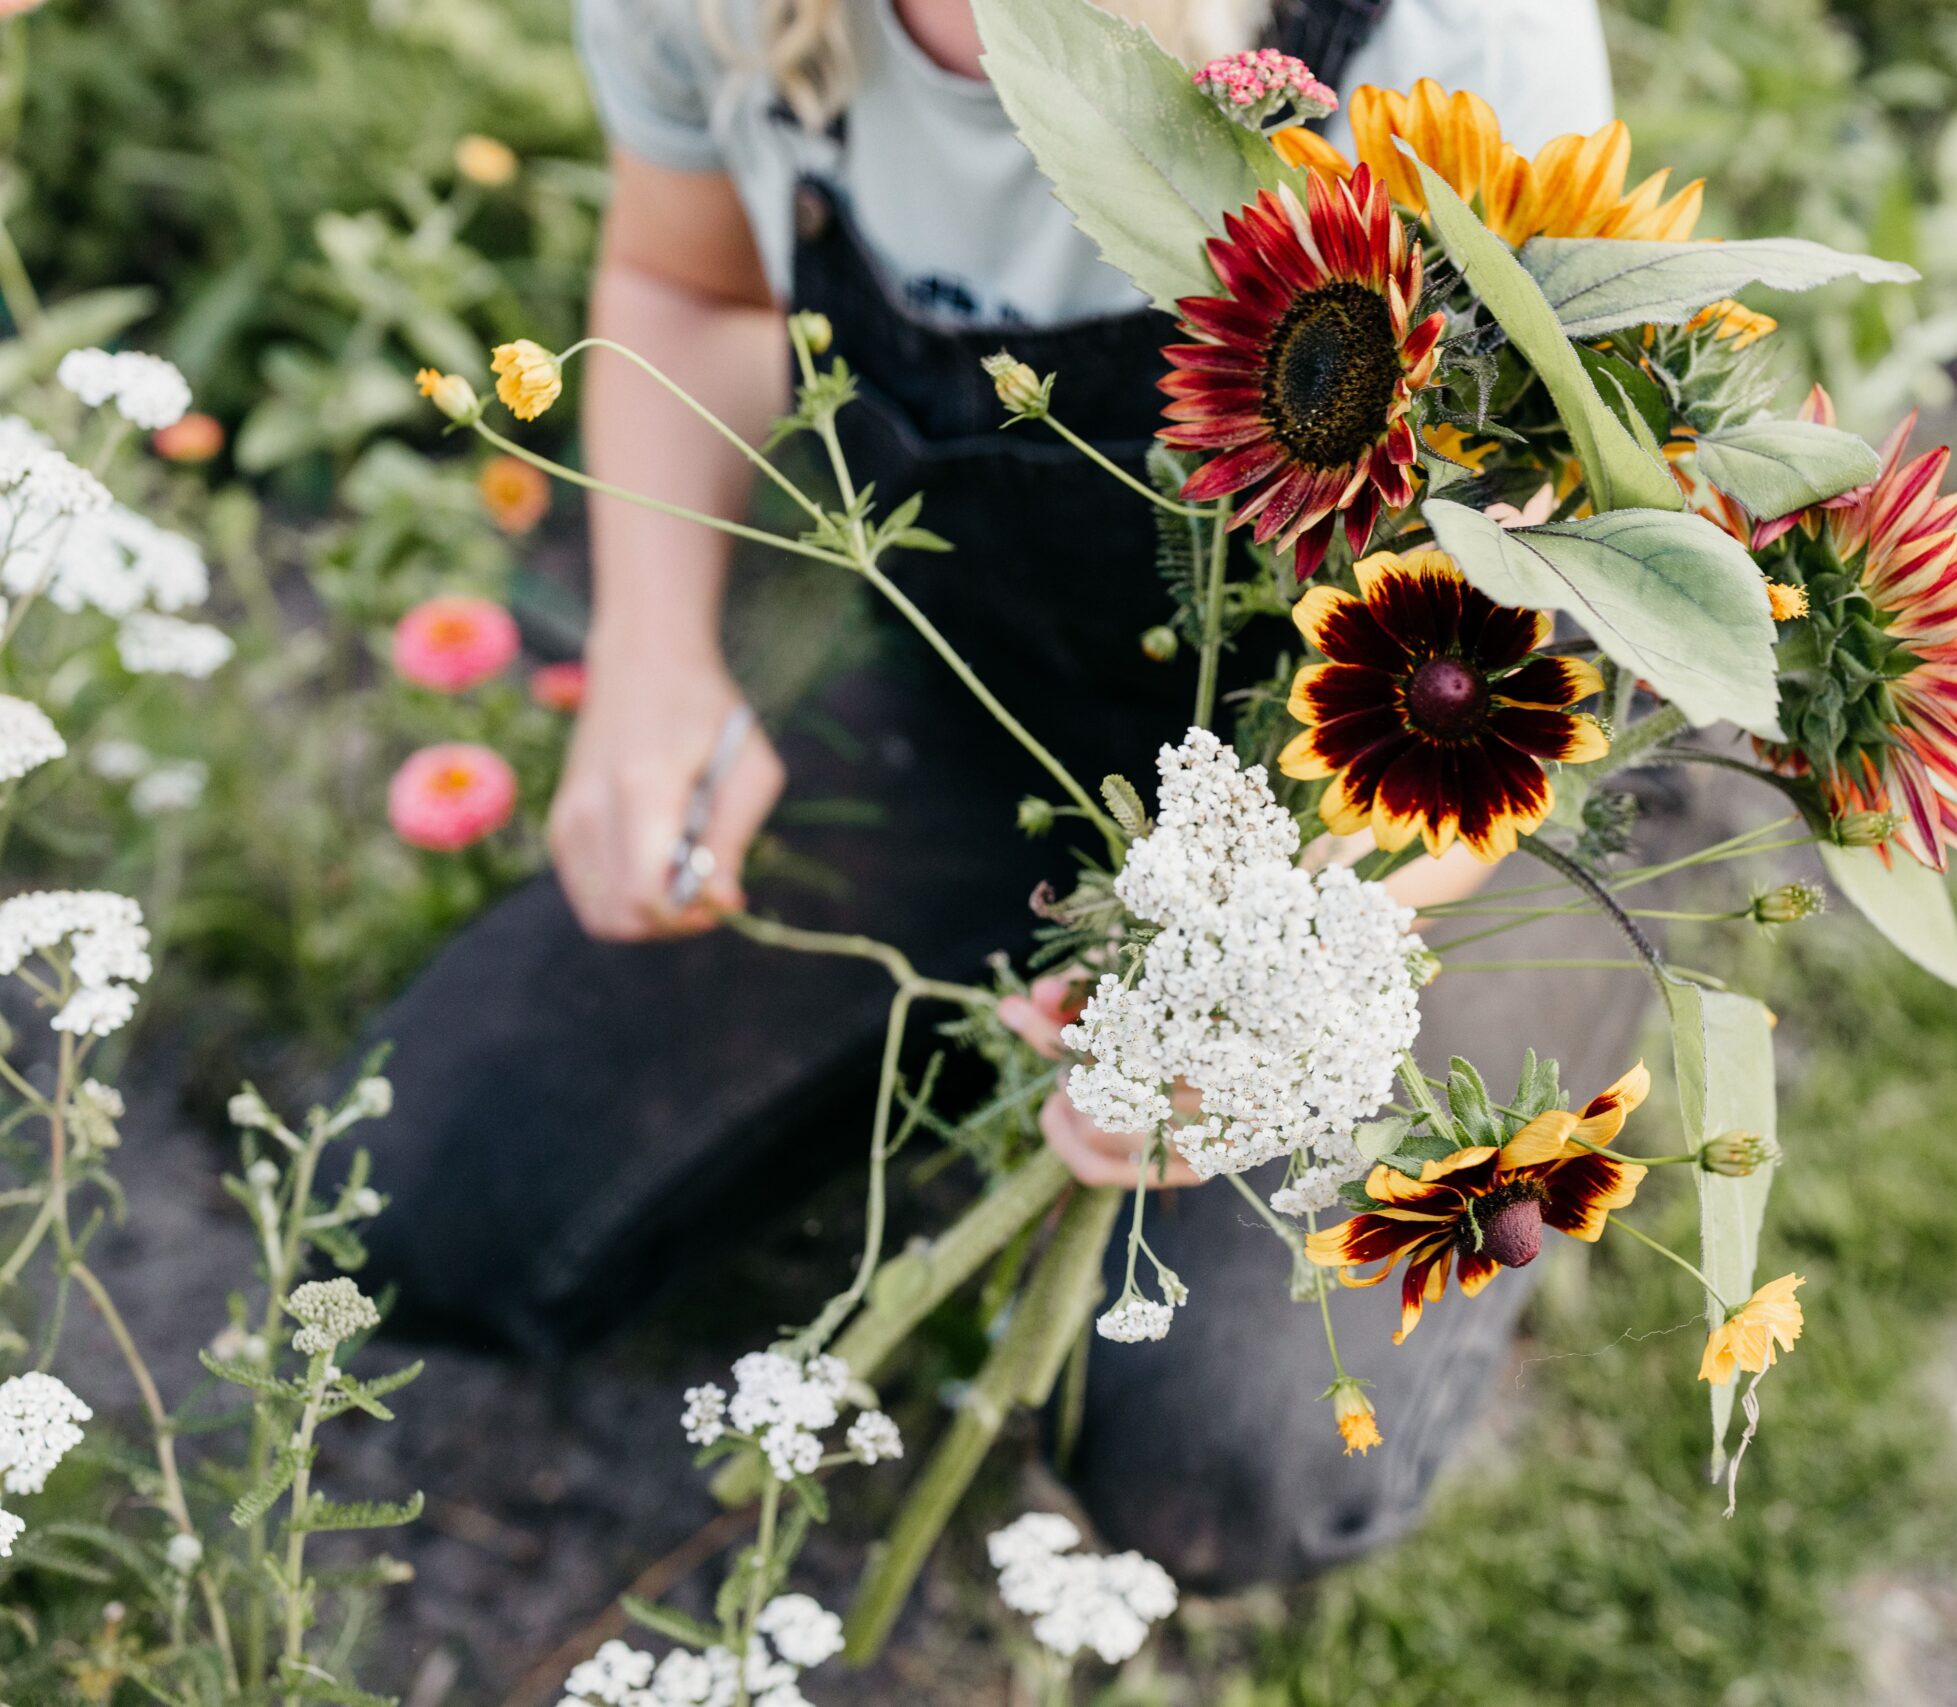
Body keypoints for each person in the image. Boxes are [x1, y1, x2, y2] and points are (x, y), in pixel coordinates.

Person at [351, 0, 1655, 1588]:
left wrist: (1265, 979)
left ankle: (1572, 984)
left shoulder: (1445, 41)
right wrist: (651, 654)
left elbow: (1536, 602)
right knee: (419, 1201)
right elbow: (687, 285)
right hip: (1003, 722)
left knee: (1218, 1463)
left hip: (1437, 777)